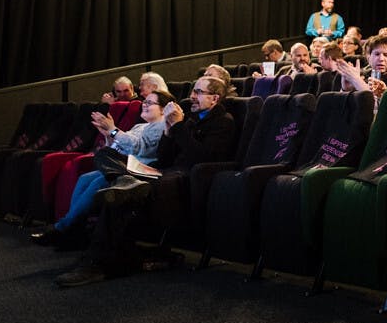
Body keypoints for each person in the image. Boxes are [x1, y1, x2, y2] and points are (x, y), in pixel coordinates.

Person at [55, 77, 236, 287]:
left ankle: (95, 263)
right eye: (193, 91)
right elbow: (164, 157)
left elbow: (202, 157)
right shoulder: (190, 120)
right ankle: (123, 182)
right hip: (163, 170)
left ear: (214, 98)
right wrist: (169, 133)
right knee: (105, 155)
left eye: (198, 92)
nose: (192, 96)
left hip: (182, 178)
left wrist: (176, 126)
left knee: (119, 194)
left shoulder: (224, 122)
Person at [32, 90, 176, 248]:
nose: (144, 104)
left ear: (163, 109)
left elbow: (138, 148)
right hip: (122, 165)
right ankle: (75, 233)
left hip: (140, 170)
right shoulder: (140, 126)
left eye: (150, 103)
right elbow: (116, 149)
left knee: (99, 181)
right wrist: (108, 135)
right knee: (85, 178)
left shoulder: (161, 125)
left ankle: (62, 228)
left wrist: (113, 130)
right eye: (145, 101)